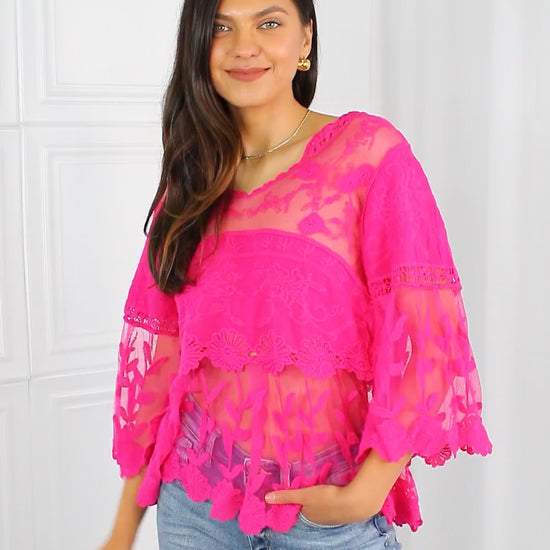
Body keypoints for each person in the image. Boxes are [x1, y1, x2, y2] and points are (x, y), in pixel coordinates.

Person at [100, 0, 493, 549]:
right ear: (198, 45)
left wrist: (363, 495)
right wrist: (122, 529)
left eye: (268, 22)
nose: (244, 47)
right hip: (195, 510)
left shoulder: (369, 156)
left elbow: (429, 336)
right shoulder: (192, 180)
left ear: (305, 39)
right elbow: (162, 367)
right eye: (221, 27)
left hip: (325, 520)